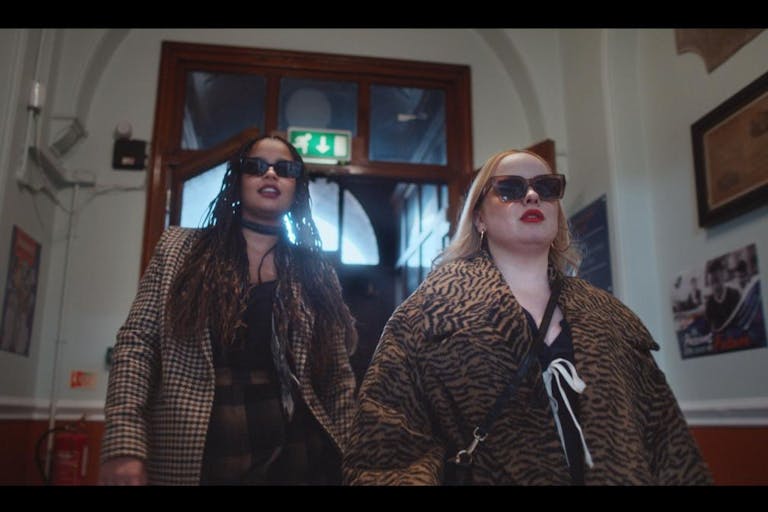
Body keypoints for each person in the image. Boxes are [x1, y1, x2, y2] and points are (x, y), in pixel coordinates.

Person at [343, 149, 712, 485]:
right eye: (510, 189)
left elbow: (667, 445)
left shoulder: (611, 317)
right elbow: (385, 457)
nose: (532, 196)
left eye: (547, 187)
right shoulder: (425, 317)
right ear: (479, 217)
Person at [99, 134, 357, 485]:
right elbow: (137, 345)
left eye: (285, 169)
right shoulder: (179, 250)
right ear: (237, 179)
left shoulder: (315, 271)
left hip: (297, 458)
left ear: (297, 186)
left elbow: (337, 376)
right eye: (256, 166)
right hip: (200, 455)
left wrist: (356, 461)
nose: (270, 174)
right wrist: (124, 444)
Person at [704, 258, 741, 333]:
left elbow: (741, 321)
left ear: (723, 277)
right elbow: (711, 328)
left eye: (717, 280)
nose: (715, 286)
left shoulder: (735, 295)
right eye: (711, 283)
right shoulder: (709, 303)